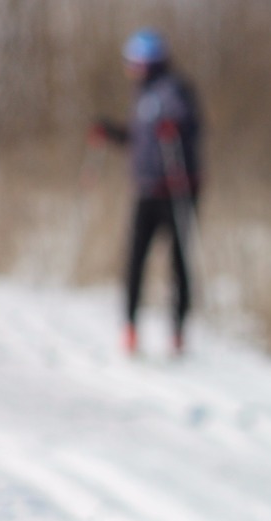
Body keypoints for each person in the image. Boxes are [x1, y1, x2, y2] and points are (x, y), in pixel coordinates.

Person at [90, 28, 202, 356]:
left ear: (148, 62)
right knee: (135, 259)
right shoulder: (140, 95)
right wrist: (109, 133)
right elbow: (139, 139)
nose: (130, 68)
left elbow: (191, 125)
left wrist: (176, 128)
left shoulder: (177, 88)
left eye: (134, 62)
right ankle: (130, 327)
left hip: (177, 189)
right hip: (147, 189)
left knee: (179, 262)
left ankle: (178, 331)